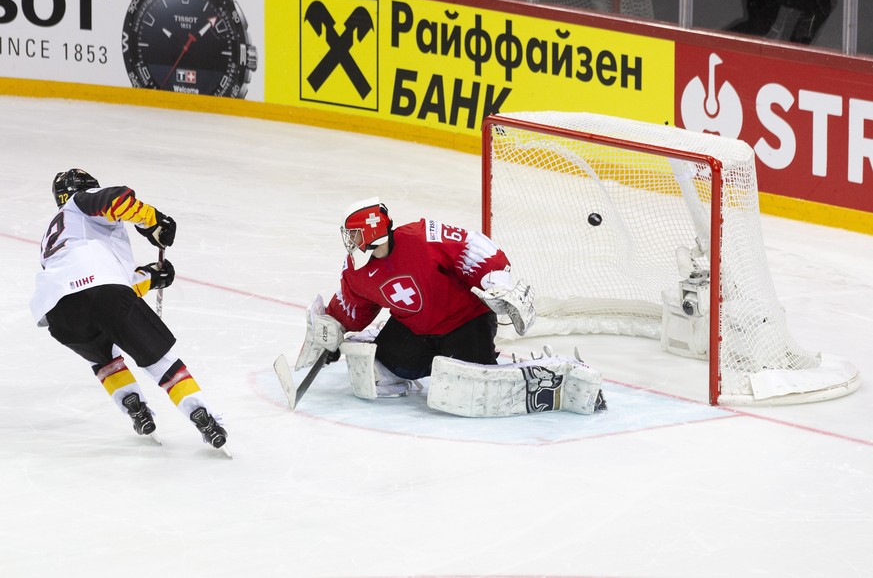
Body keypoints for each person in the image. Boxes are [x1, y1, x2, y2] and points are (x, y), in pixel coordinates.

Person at [293, 197, 605, 416]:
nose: (350, 241)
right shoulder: (357, 268)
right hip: (414, 329)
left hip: (464, 322)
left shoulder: (421, 237)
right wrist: (335, 329)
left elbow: (470, 244)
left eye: (355, 234)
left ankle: (548, 376)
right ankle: (412, 355)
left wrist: (496, 280)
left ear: (372, 231)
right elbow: (353, 303)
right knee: (380, 372)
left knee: (471, 385)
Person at [30, 169, 228, 449]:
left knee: (104, 358)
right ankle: (202, 414)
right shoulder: (80, 202)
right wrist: (153, 221)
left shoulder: (57, 234)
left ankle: (134, 406)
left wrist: (151, 278)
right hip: (100, 292)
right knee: (159, 360)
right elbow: (116, 199)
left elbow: (98, 290)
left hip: (57, 310)